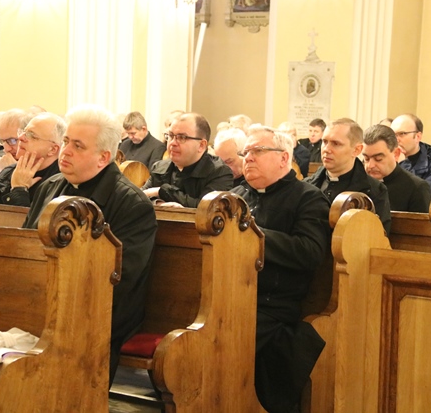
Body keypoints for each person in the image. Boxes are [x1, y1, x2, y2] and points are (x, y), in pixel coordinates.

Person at [23, 103, 157, 386]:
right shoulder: (49, 187)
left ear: (103, 157)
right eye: (66, 141)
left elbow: (121, 277)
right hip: (36, 303)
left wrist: (63, 307)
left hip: (97, 317)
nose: (66, 151)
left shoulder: (131, 204)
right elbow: (24, 247)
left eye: (78, 146)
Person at [231, 126, 329, 412]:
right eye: (245, 152)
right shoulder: (234, 196)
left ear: (284, 158)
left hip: (273, 306)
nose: (248, 158)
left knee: (223, 338)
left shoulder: (307, 198)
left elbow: (310, 251)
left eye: (258, 151)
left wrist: (254, 235)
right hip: (232, 296)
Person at [304, 118, 391, 234]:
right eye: (324, 142)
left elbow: (377, 237)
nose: (326, 149)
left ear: (356, 150)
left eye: (336, 144)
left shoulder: (375, 191)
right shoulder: (306, 186)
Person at [142, 112, 233, 207]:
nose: (173, 143)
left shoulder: (219, 173)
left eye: (182, 137)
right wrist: (159, 204)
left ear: (201, 145)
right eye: (171, 136)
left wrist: (162, 191)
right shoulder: (159, 168)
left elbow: (205, 208)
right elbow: (138, 199)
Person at [0, 112, 64, 206]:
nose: (21, 137)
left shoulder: (61, 182)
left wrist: (19, 189)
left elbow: (30, 216)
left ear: (53, 149)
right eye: (23, 132)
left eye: (32, 136)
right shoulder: (8, 172)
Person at [363, 124, 431, 212]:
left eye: (378, 159)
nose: (370, 165)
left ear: (396, 154)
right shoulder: (358, 183)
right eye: (366, 159)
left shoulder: (417, 188)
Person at [391, 113, 431, 195]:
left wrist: (403, 164)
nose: (396, 140)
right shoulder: (387, 158)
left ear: (418, 136)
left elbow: (424, 195)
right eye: (393, 135)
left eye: (402, 134)